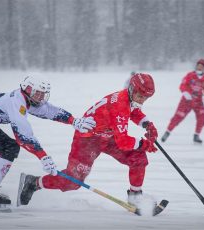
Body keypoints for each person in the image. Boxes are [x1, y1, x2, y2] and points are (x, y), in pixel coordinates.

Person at [18, 73, 159, 208]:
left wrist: (148, 125)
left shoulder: (127, 98)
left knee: (138, 158)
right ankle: (34, 183)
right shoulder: (120, 105)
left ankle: (135, 197)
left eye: (146, 98)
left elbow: (133, 111)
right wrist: (144, 144)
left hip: (107, 137)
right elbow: (123, 141)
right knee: (73, 182)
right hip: (87, 140)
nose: (142, 100)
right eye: (140, 96)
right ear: (132, 88)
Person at [0, 76, 96, 207]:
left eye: (43, 94)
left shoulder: (27, 99)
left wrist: (74, 121)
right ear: (28, 89)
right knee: (9, 147)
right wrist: (43, 157)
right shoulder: (17, 102)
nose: (41, 97)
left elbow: (50, 111)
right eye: (38, 93)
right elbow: (23, 135)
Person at [161, 59, 204, 144]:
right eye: (198, 66)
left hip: (198, 101)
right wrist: (185, 93)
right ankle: (167, 132)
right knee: (177, 117)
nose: (199, 68)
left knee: (202, 118)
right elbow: (182, 85)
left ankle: (196, 135)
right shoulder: (190, 75)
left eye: (201, 66)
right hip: (186, 101)